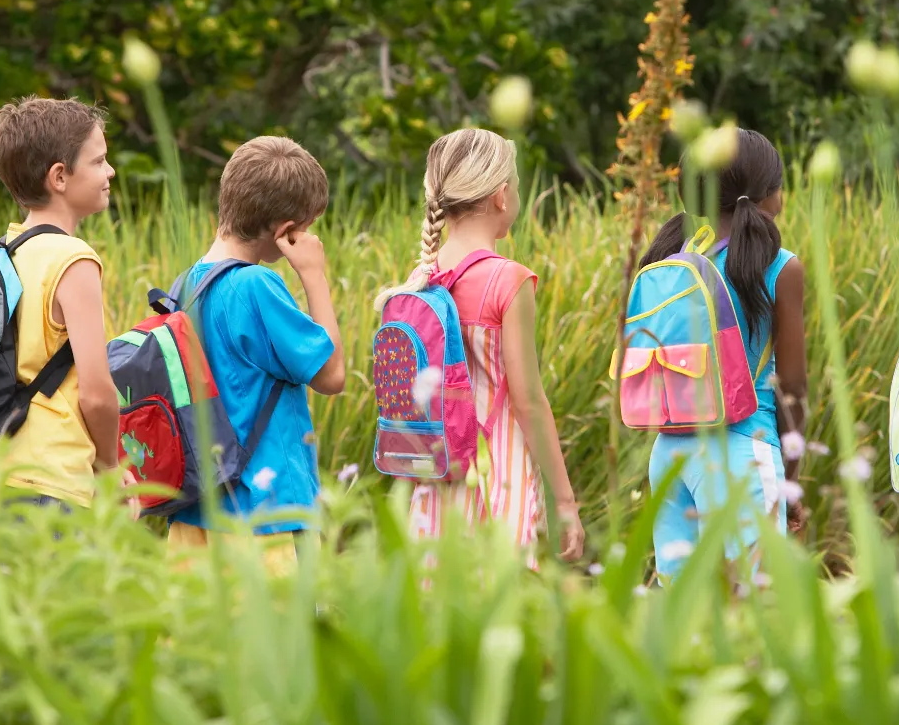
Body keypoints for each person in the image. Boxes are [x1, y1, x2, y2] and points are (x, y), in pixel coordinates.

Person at [375, 128, 586, 564]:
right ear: (502, 197)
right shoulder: (508, 279)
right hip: (497, 476)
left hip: (435, 476)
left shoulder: (421, 281)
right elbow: (528, 401)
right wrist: (564, 501)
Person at [165, 137, 346, 574]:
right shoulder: (255, 286)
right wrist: (314, 275)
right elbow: (331, 375)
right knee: (279, 639)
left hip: (196, 510)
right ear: (286, 231)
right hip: (265, 517)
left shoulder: (185, 285)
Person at [640, 128, 808, 581]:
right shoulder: (779, 266)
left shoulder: (671, 256)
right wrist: (790, 483)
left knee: (683, 611)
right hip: (742, 451)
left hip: (669, 453)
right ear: (768, 196)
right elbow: (792, 387)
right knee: (752, 617)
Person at [0, 96, 120, 510]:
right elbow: (97, 393)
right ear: (59, 176)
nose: (110, 171)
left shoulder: (5, 253)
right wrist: (112, 469)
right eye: (98, 161)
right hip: (50, 478)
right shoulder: (73, 260)